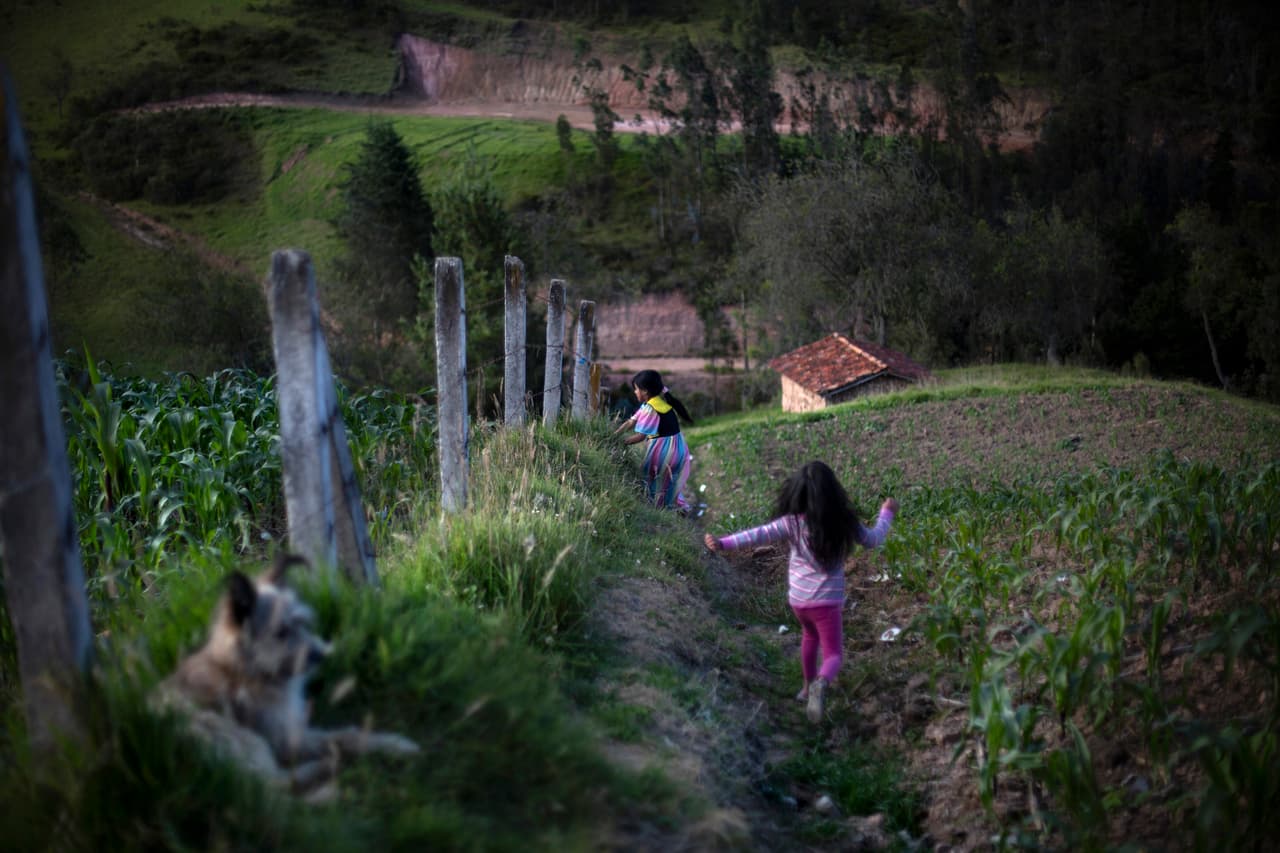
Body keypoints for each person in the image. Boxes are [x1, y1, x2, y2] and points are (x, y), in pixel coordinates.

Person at [704, 461, 898, 723]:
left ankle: (806, 687)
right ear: (833, 492)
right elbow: (874, 539)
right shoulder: (843, 523)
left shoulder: (791, 524)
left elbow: (756, 535)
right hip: (826, 603)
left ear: (797, 492)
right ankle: (821, 683)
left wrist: (723, 543)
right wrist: (886, 514)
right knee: (833, 655)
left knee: (809, 637)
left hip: (798, 601)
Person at [613, 369, 695, 510]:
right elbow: (631, 422)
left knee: (649, 478)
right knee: (669, 482)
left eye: (636, 389)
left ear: (645, 391)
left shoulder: (650, 408)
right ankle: (676, 507)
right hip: (679, 449)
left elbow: (641, 436)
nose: (635, 392)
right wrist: (615, 434)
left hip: (664, 451)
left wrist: (620, 442)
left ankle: (656, 510)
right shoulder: (658, 403)